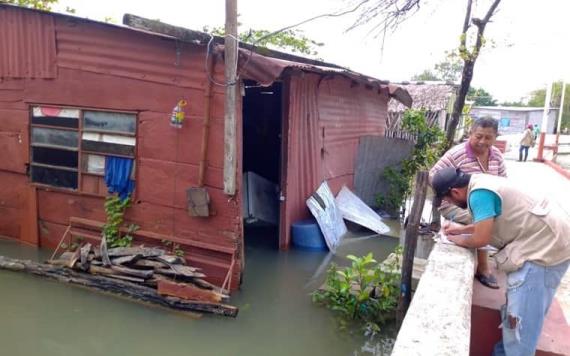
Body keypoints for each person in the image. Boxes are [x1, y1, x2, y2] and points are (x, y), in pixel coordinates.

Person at [432, 167, 570, 356]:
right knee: (520, 319)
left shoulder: (479, 194)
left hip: (542, 250)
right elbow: (488, 221)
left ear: (455, 192)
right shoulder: (480, 182)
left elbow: (481, 239)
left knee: (520, 327)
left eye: (448, 200)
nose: (450, 203)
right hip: (551, 241)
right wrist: (462, 230)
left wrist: (455, 239)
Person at [430, 117, 506, 289]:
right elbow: (433, 174)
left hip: (482, 201)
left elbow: (503, 182)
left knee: (493, 216)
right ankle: (483, 267)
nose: (482, 141)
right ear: (470, 133)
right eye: (478, 136)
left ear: (495, 137)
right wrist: (450, 187)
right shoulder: (457, 153)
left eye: (488, 137)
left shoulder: (497, 156)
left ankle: (498, 255)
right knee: (484, 219)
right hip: (455, 203)